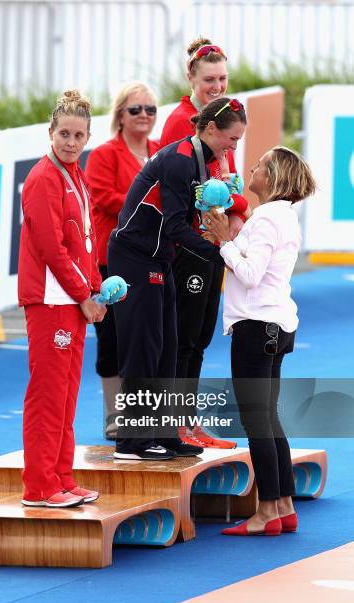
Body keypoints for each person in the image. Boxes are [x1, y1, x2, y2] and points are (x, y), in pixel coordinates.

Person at [108, 97, 247, 461]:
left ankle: (166, 433)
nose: (234, 148)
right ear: (212, 129)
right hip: (134, 256)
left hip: (160, 257)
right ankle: (130, 441)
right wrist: (220, 254)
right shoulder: (180, 159)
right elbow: (173, 224)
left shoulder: (205, 159)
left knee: (169, 348)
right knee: (144, 348)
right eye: (232, 139)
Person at [203, 146, 316, 535]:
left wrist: (223, 241)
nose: (251, 168)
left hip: (258, 326)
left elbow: (250, 273)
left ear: (273, 177)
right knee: (268, 418)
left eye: (260, 165)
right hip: (275, 324)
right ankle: (282, 505)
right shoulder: (284, 216)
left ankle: (267, 510)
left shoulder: (267, 218)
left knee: (257, 422)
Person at [18, 90, 107, 508]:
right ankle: (39, 485)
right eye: (64, 134)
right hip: (50, 301)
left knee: (67, 394)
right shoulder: (42, 178)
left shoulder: (75, 174)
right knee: (48, 395)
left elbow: (84, 243)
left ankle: (62, 476)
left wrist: (95, 291)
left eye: (79, 135)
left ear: (87, 137)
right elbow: (52, 248)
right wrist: (82, 294)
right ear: (50, 133)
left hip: (70, 300)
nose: (71, 142)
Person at [160, 37, 249, 450]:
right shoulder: (185, 122)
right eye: (209, 79)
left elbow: (227, 186)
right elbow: (207, 193)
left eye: (223, 78)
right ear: (191, 79)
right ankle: (175, 424)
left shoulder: (222, 120)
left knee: (198, 337)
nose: (217, 85)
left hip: (209, 244)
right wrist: (238, 204)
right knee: (185, 336)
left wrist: (235, 207)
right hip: (189, 247)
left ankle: (188, 423)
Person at [85, 82, 159, 439]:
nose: (143, 115)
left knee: (147, 340)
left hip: (153, 261)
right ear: (119, 116)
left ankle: (143, 412)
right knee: (112, 338)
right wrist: (151, 204)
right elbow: (103, 199)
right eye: (135, 109)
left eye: (149, 109)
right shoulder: (104, 154)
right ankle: (115, 414)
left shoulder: (160, 151)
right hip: (110, 262)